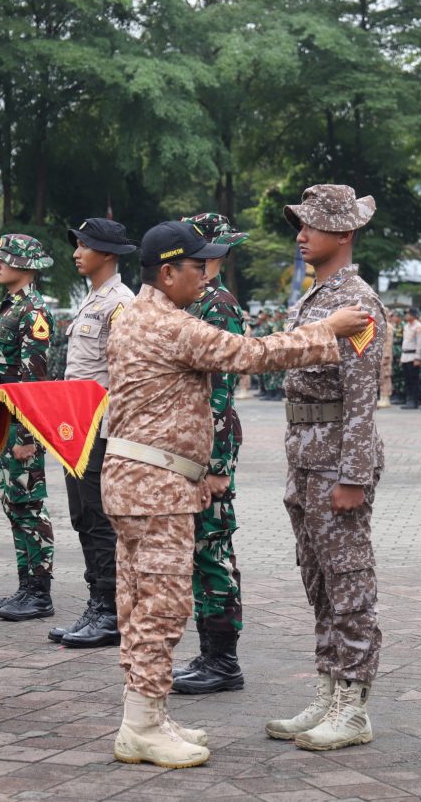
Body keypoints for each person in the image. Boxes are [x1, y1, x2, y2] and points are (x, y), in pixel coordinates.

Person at [102, 219, 370, 769]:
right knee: (162, 605)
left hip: (137, 480)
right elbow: (253, 354)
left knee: (135, 602)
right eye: (197, 266)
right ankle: (141, 725)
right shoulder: (171, 326)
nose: (205, 275)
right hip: (155, 488)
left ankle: (147, 715)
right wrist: (331, 329)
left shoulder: (136, 317)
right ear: (168, 271)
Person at [264, 184, 386, 752]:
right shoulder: (317, 299)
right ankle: (329, 686)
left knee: (348, 582)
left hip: (336, 458)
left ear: (344, 233)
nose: (301, 234)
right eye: (300, 224)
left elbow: (362, 396)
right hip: (305, 457)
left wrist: (353, 475)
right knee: (318, 580)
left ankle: (354, 704)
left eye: (311, 225)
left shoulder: (356, 302)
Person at [171, 212, 251, 694]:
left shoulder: (218, 304)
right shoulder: (191, 300)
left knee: (213, 550)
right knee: (201, 550)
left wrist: (218, 466)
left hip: (211, 446)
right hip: (189, 443)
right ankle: (211, 653)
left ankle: (222, 660)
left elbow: (221, 388)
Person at [49, 218, 137, 648]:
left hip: (100, 427)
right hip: (76, 426)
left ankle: (109, 609)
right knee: (83, 515)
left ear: (107, 252)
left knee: (100, 517)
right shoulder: (92, 301)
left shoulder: (121, 303)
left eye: (84, 245)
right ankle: (96, 603)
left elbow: (124, 373)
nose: (76, 252)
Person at [0, 234, 58, 622]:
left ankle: (39, 592)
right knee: (14, 506)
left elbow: (35, 379)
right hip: (3, 423)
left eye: (4, 259)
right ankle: (26, 586)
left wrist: (27, 435)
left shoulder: (33, 312)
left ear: (26, 267)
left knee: (29, 507)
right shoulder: (10, 306)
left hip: (20, 426)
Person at [400, 306, 421, 409]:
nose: (406, 316)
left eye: (408, 314)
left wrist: (418, 358)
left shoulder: (418, 326)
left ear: (413, 315)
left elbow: (420, 343)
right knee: (407, 379)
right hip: (405, 355)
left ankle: (415, 400)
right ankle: (409, 399)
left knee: (414, 380)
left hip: (413, 356)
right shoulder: (406, 326)